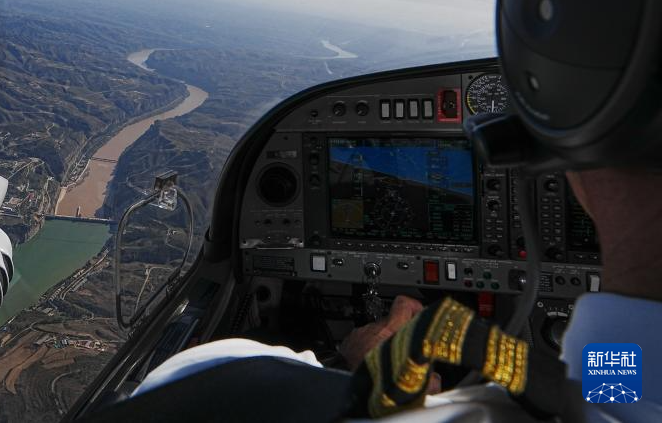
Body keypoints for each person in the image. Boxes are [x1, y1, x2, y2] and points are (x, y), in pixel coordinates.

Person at [133, 168, 662, 421]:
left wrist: (350, 370)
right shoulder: (607, 389)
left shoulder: (211, 380)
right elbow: (608, 406)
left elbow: (219, 380)